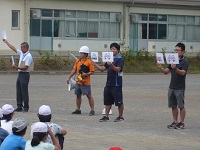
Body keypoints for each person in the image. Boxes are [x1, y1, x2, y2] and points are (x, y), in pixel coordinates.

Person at [157, 42, 189, 129]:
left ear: (183, 52)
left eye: (178, 50)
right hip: (172, 86)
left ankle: (182, 123)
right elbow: (166, 72)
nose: (176, 52)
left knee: (181, 106)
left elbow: (183, 73)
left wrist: (175, 68)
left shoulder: (185, 62)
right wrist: (161, 67)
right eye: (175, 50)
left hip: (180, 87)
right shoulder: (172, 60)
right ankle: (175, 122)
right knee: (173, 105)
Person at [93, 43, 125, 122]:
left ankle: (121, 117)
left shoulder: (120, 59)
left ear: (118, 50)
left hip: (116, 84)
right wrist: (95, 65)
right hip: (109, 83)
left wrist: (112, 65)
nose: (112, 50)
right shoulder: (109, 59)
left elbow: (118, 69)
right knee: (107, 101)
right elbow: (102, 69)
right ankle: (106, 116)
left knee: (119, 101)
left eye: (114, 49)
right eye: (111, 49)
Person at [3, 39, 33, 112]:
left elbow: (26, 67)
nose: (21, 49)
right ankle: (19, 106)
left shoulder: (28, 56)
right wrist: (7, 42)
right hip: (20, 74)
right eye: (21, 47)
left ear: (26, 48)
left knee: (24, 91)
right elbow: (13, 48)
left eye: (22, 47)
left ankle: (26, 107)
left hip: (25, 74)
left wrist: (16, 67)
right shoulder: (22, 53)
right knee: (19, 90)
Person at [67, 46, 95, 116]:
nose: (80, 54)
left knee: (89, 96)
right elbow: (74, 70)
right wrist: (69, 77)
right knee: (78, 95)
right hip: (78, 82)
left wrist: (86, 74)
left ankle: (92, 110)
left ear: (85, 54)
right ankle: (78, 109)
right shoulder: (78, 61)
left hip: (85, 82)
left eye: (81, 53)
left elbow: (92, 71)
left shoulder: (89, 62)